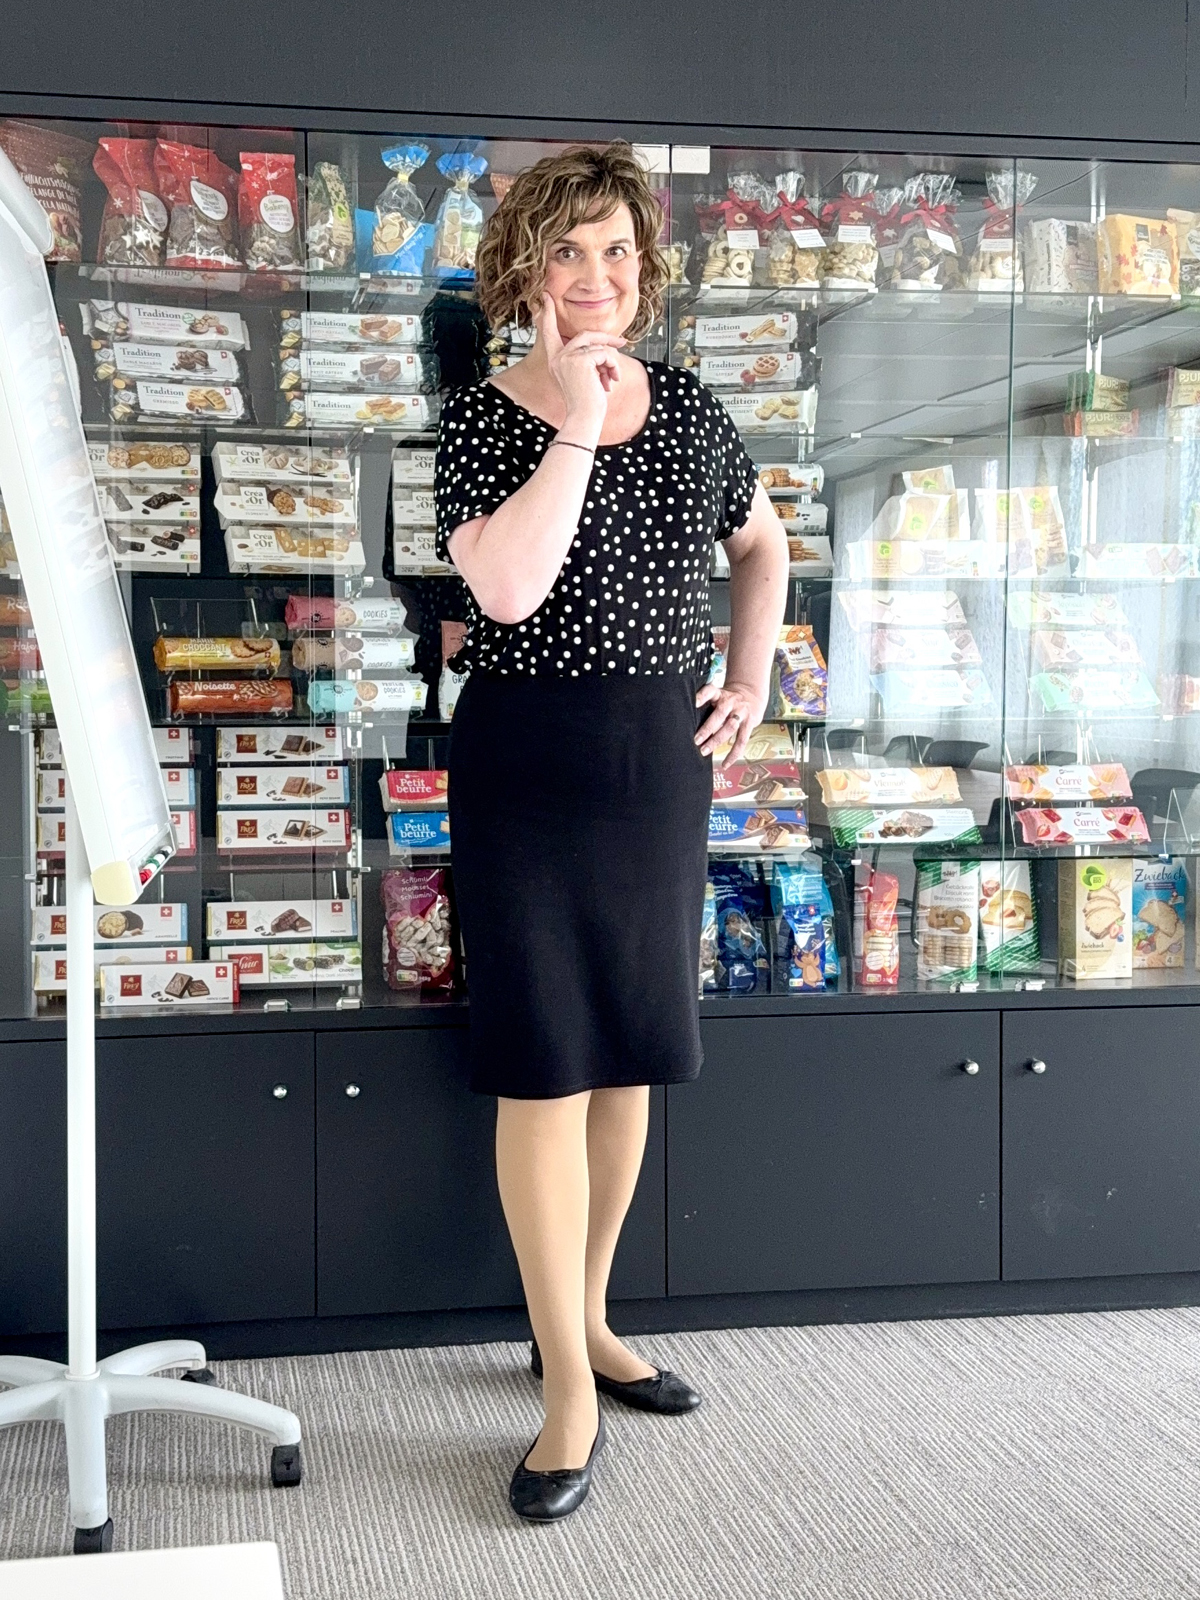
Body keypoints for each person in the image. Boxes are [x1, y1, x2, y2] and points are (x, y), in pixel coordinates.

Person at [434, 142, 788, 1522]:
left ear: (645, 271)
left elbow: (763, 545)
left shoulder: (692, 407)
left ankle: (583, 1320)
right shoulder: (480, 418)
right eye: (571, 250)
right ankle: (567, 1397)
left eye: (620, 253)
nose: (599, 276)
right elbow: (508, 594)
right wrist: (577, 419)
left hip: (657, 761)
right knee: (545, 1066)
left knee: (631, 1055)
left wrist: (749, 677)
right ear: (525, 268)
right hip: (526, 759)